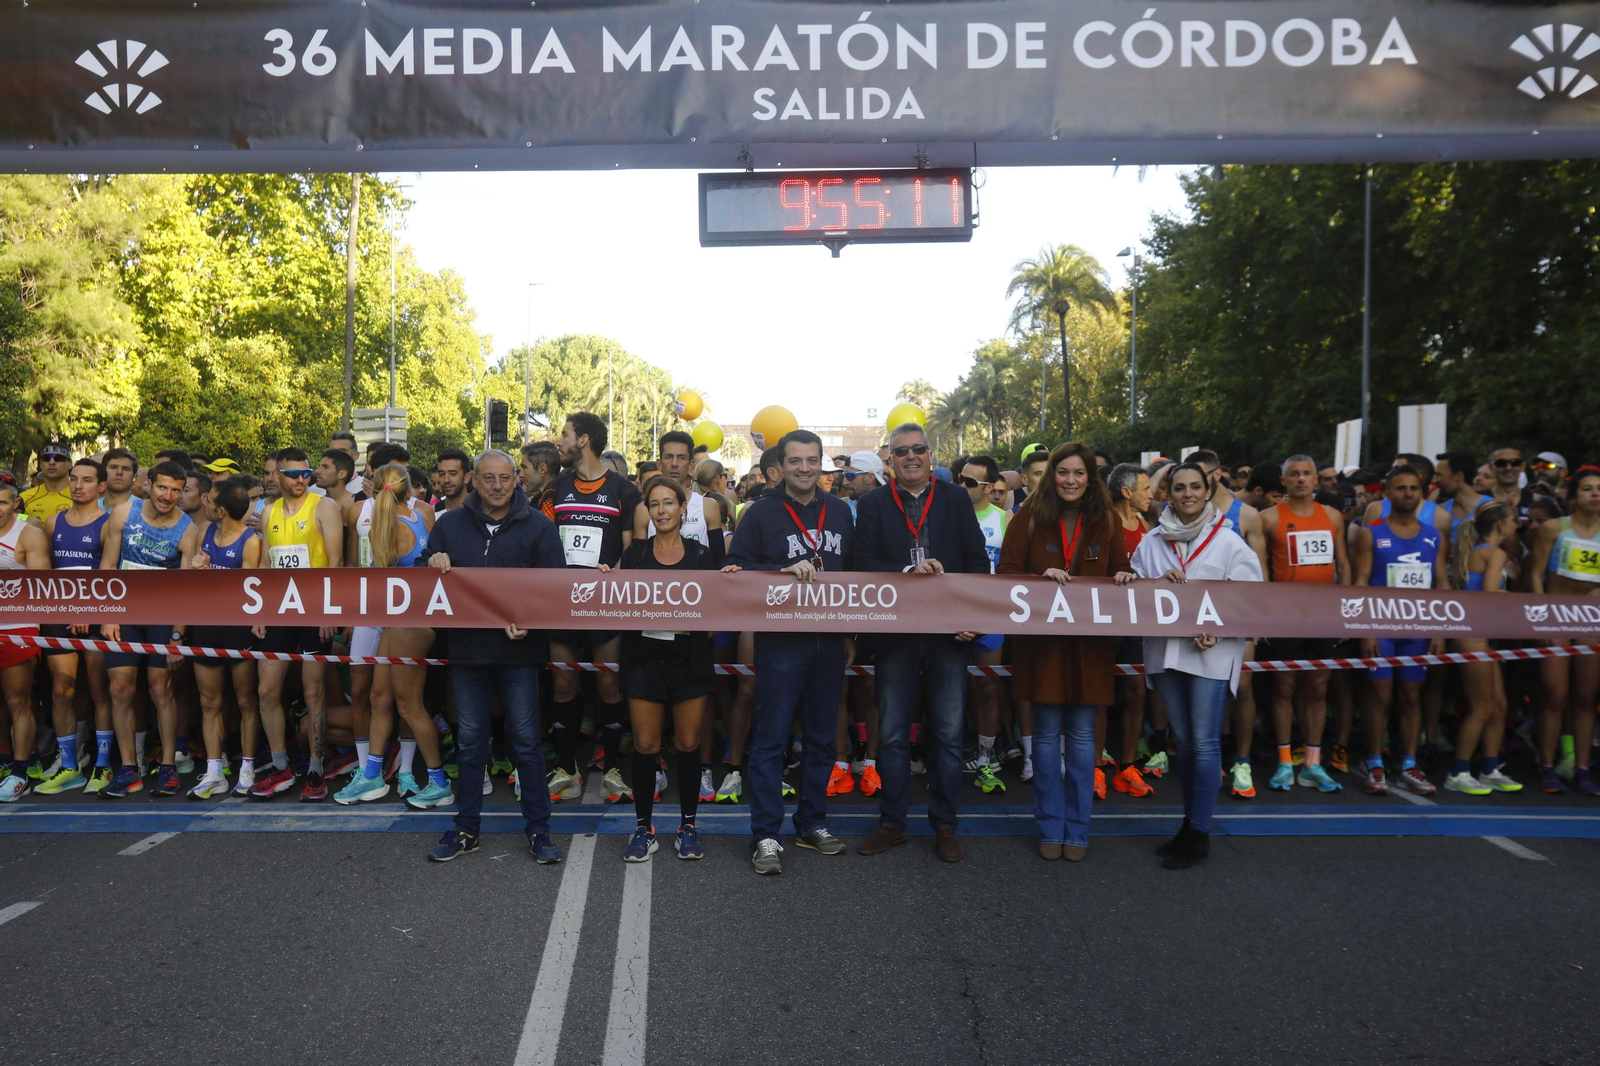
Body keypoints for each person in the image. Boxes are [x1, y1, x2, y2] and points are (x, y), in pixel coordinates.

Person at [852, 425, 988, 863]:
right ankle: (892, 824)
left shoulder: (955, 499)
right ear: (890, 460)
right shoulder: (872, 503)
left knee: (948, 734)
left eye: (919, 449)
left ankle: (945, 825)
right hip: (896, 632)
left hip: (949, 633)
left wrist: (972, 617)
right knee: (892, 734)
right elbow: (861, 563)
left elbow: (977, 562)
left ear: (931, 455)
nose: (911, 456)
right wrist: (907, 573)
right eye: (902, 451)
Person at [421, 449, 565, 863]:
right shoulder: (449, 524)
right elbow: (422, 581)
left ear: (516, 480)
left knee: (526, 743)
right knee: (470, 744)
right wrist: (431, 561)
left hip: (519, 654)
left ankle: (539, 831)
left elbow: (554, 589)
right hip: (468, 652)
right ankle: (466, 829)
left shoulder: (539, 526)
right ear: (474, 480)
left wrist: (532, 623)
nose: (498, 486)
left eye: (505, 478)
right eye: (489, 478)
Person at [726, 429, 856, 875]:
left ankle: (811, 823)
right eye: (796, 461)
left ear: (822, 464)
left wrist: (851, 634)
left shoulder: (840, 511)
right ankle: (765, 834)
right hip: (781, 640)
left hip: (830, 638)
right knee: (771, 740)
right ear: (780, 466)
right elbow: (734, 568)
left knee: (821, 739)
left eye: (812, 460)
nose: (805, 468)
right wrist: (777, 570)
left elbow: (855, 576)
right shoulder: (761, 512)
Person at [997, 442, 1135, 862]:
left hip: (1089, 646)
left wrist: (1125, 575)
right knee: (1043, 736)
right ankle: (1049, 825)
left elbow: (1120, 569)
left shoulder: (1107, 519)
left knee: (1081, 736)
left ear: (1090, 478)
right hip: (1042, 645)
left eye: (1079, 473)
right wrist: (1039, 578)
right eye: (1063, 472)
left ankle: (1077, 829)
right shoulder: (1027, 518)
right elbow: (1006, 574)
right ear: (1051, 476)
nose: (1070, 480)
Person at [1129, 462, 1263, 869]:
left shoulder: (1229, 541)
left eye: (1195, 487)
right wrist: (1152, 583)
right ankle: (1189, 825)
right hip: (1165, 650)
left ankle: (1199, 832)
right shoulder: (1152, 541)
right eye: (1179, 488)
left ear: (1207, 491)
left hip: (1211, 652)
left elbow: (1249, 596)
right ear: (1167, 493)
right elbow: (1134, 594)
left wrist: (1219, 631)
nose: (1187, 494)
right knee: (1184, 741)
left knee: (1204, 742)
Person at [613, 475, 722, 862]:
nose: (662, 510)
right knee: (645, 746)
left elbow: (720, 605)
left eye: (669, 503)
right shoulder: (635, 554)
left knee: (689, 744)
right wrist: (606, 579)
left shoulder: (702, 556)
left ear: (683, 508)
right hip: (643, 660)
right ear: (647, 511)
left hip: (689, 661)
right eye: (654, 504)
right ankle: (643, 828)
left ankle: (688, 827)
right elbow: (613, 599)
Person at [336, 463, 447, 806]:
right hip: (405, 616)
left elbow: (379, 578)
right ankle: (371, 775)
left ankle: (439, 782)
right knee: (379, 697)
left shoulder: (384, 525)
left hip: (406, 621)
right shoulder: (423, 514)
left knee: (409, 706)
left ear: (374, 489)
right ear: (409, 490)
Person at [547, 413, 643, 804]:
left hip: (607, 602)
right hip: (561, 602)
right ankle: (566, 768)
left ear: (584, 440)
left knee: (608, 683)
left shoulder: (622, 489)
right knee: (564, 683)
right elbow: (543, 540)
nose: (559, 441)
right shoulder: (556, 488)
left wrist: (610, 580)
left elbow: (632, 548)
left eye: (565, 434)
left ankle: (613, 769)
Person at [99, 461, 201, 798]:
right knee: (119, 689)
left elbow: (187, 589)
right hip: (124, 612)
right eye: (162, 488)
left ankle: (168, 766)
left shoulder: (187, 529)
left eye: (176, 490)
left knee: (161, 688)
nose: (168, 496)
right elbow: (107, 565)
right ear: (149, 485)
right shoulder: (123, 514)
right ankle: (129, 769)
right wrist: (108, 615)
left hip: (163, 617)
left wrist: (177, 634)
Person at [250, 446, 345, 802]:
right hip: (279, 610)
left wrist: (328, 613)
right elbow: (265, 564)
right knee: (266, 690)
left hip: (314, 610)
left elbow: (336, 562)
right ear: (277, 475)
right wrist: (260, 612)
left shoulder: (324, 507)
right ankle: (280, 767)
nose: (301, 480)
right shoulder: (269, 511)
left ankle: (316, 769)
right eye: (292, 474)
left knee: (313, 691)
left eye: (306, 474)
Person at [1352, 465, 1447, 796]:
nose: (1408, 493)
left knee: (1411, 697)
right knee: (1380, 696)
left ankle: (1409, 764)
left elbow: (1442, 584)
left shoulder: (1434, 536)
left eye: (1414, 488)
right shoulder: (1371, 534)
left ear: (1422, 493)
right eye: (1402, 488)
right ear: (1387, 493)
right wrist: (1365, 630)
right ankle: (1375, 763)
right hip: (1382, 627)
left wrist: (1440, 630)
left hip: (1418, 629)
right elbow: (1360, 584)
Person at [1260, 455, 1351, 792]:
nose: (1301, 479)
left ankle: (1312, 763)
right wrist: (1263, 616)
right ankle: (1285, 763)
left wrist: (1346, 614)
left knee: (1318, 689)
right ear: (1283, 481)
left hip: (1323, 615)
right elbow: (1262, 569)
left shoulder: (1332, 516)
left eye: (1306, 474)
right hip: (1285, 615)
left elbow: (1343, 564)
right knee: (1284, 687)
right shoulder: (1269, 518)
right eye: (1294, 474)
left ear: (1316, 480)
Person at [1189, 449, 1271, 797]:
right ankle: (1216, 756)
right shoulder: (1184, 512)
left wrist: (1261, 617)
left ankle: (1243, 760)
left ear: (1217, 473)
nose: (1193, 483)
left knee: (1244, 687)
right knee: (1209, 686)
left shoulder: (1247, 514)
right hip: (1197, 613)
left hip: (1238, 614)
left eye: (1200, 475)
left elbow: (1260, 570)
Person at [35, 459, 113, 796]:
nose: (78, 485)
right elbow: (45, 572)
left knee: (99, 692)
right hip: (59, 614)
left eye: (87, 480)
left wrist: (89, 610)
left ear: (101, 487)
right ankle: (70, 766)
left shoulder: (109, 524)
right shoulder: (53, 522)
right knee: (60, 691)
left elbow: (110, 573)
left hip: (95, 615)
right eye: (74, 479)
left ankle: (103, 764)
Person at [184, 479, 262, 799]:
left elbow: (247, 593)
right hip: (205, 625)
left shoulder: (250, 541)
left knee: (245, 701)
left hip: (237, 628)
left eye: (210, 499)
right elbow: (195, 583)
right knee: (209, 702)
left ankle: (247, 768)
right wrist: (197, 573)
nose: (204, 501)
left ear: (222, 510)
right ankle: (215, 771)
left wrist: (210, 576)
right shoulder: (204, 532)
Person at [1528, 466, 1600, 795]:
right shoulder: (1555, 528)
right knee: (1555, 695)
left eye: (1599, 489)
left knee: (1585, 697)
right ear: (1572, 497)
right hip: (1556, 616)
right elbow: (1535, 573)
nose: (1595, 494)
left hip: (1591, 619)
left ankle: (1583, 768)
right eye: (1587, 488)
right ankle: (1546, 765)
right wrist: (1541, 617)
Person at [1443, 502, 1524, 795]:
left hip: (1480, 637)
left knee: (1499, 705)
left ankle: (1489, 769)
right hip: (1472, 636)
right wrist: (1521, 599)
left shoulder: (1483, 552)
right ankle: (1458, 772)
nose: (1517, 526)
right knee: (1482, 707)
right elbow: (1490, 593)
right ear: (1500, 525)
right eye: (1513, 520)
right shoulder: (1495, 553)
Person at [959, 453, 1020, 787]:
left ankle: (986, 757)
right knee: (958, 687)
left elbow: (1014, 571)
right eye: (960, 479)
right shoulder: (949, 516)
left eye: (969, 482)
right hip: (954, 614)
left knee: (988, 686)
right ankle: (961, 751)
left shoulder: (1003, 518)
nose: (962, 486)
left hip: (992, 615)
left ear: (989, 487)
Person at [1106, 461, 1157, 797]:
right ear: (1126, 492)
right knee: (1100, 696)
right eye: (1146, 489)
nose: (1151, 495)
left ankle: (1127, 765)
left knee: (1137, 692)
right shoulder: (1103, 521)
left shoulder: (1145, 525)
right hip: (1104, 621)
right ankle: (1096, 766)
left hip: (1137, 621)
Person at [0, 480, 51, 801]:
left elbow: (42, 589)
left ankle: (20, 772)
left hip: (17, 625)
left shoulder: (29, 535)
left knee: (17, 699)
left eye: (3, 503)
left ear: (15, 504)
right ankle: (5, 758)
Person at [20, 443, 73, 520]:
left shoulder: (81, 496)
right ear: (41, 465)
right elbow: (14, 520)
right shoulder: (24, 498)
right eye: (46, 458)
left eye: (58, 458)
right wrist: (29, 520)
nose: (51, 462)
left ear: (70, 464)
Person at [520, 439, 560, 519]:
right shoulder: (536, 501)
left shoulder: (563, 501)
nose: (521, 474)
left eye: (524, 468)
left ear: (542, 470)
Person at [315, 448, 358, 513]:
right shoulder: (314, 505)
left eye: (325, 467)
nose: (317, 471)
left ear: (342, 474)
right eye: (319, 466)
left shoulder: (360, 505)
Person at [432, 448, 472, 514]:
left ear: (467, 477)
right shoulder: (431, 514)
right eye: (442, 474)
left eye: (453, 474)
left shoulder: (482, 511)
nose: (446, 480)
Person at [101, 448, 139, 512]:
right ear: (103, 473)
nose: (119, 472)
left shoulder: (144, 509)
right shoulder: (90, 507)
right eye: (113, 467)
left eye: (126, 469)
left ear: (134, 477)